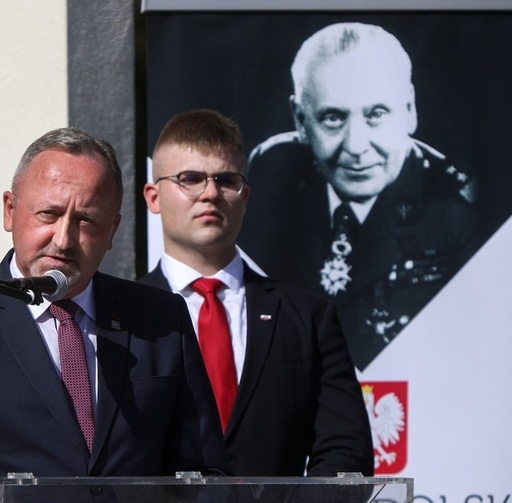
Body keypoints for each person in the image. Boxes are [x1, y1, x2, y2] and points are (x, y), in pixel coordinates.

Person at [0, 127, 230, 503]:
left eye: (86, 221)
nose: (63, 239)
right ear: (10, 210)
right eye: (48, 214)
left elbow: (204, 475)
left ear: (114, 229)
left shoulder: (161, 318)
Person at [141, 109, 373, 477]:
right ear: (153, 197)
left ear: (244, 196)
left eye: (226, 179)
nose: (211, 193)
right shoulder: (120, 317)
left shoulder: (309, 319)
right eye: (190, 179)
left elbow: (346, 449)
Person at [239, 22, 478, 370]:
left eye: (376, 114)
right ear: (301, 121)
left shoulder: (455, 210)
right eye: (333, 118)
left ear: (409, 110)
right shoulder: (271, 176)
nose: (356, 146)